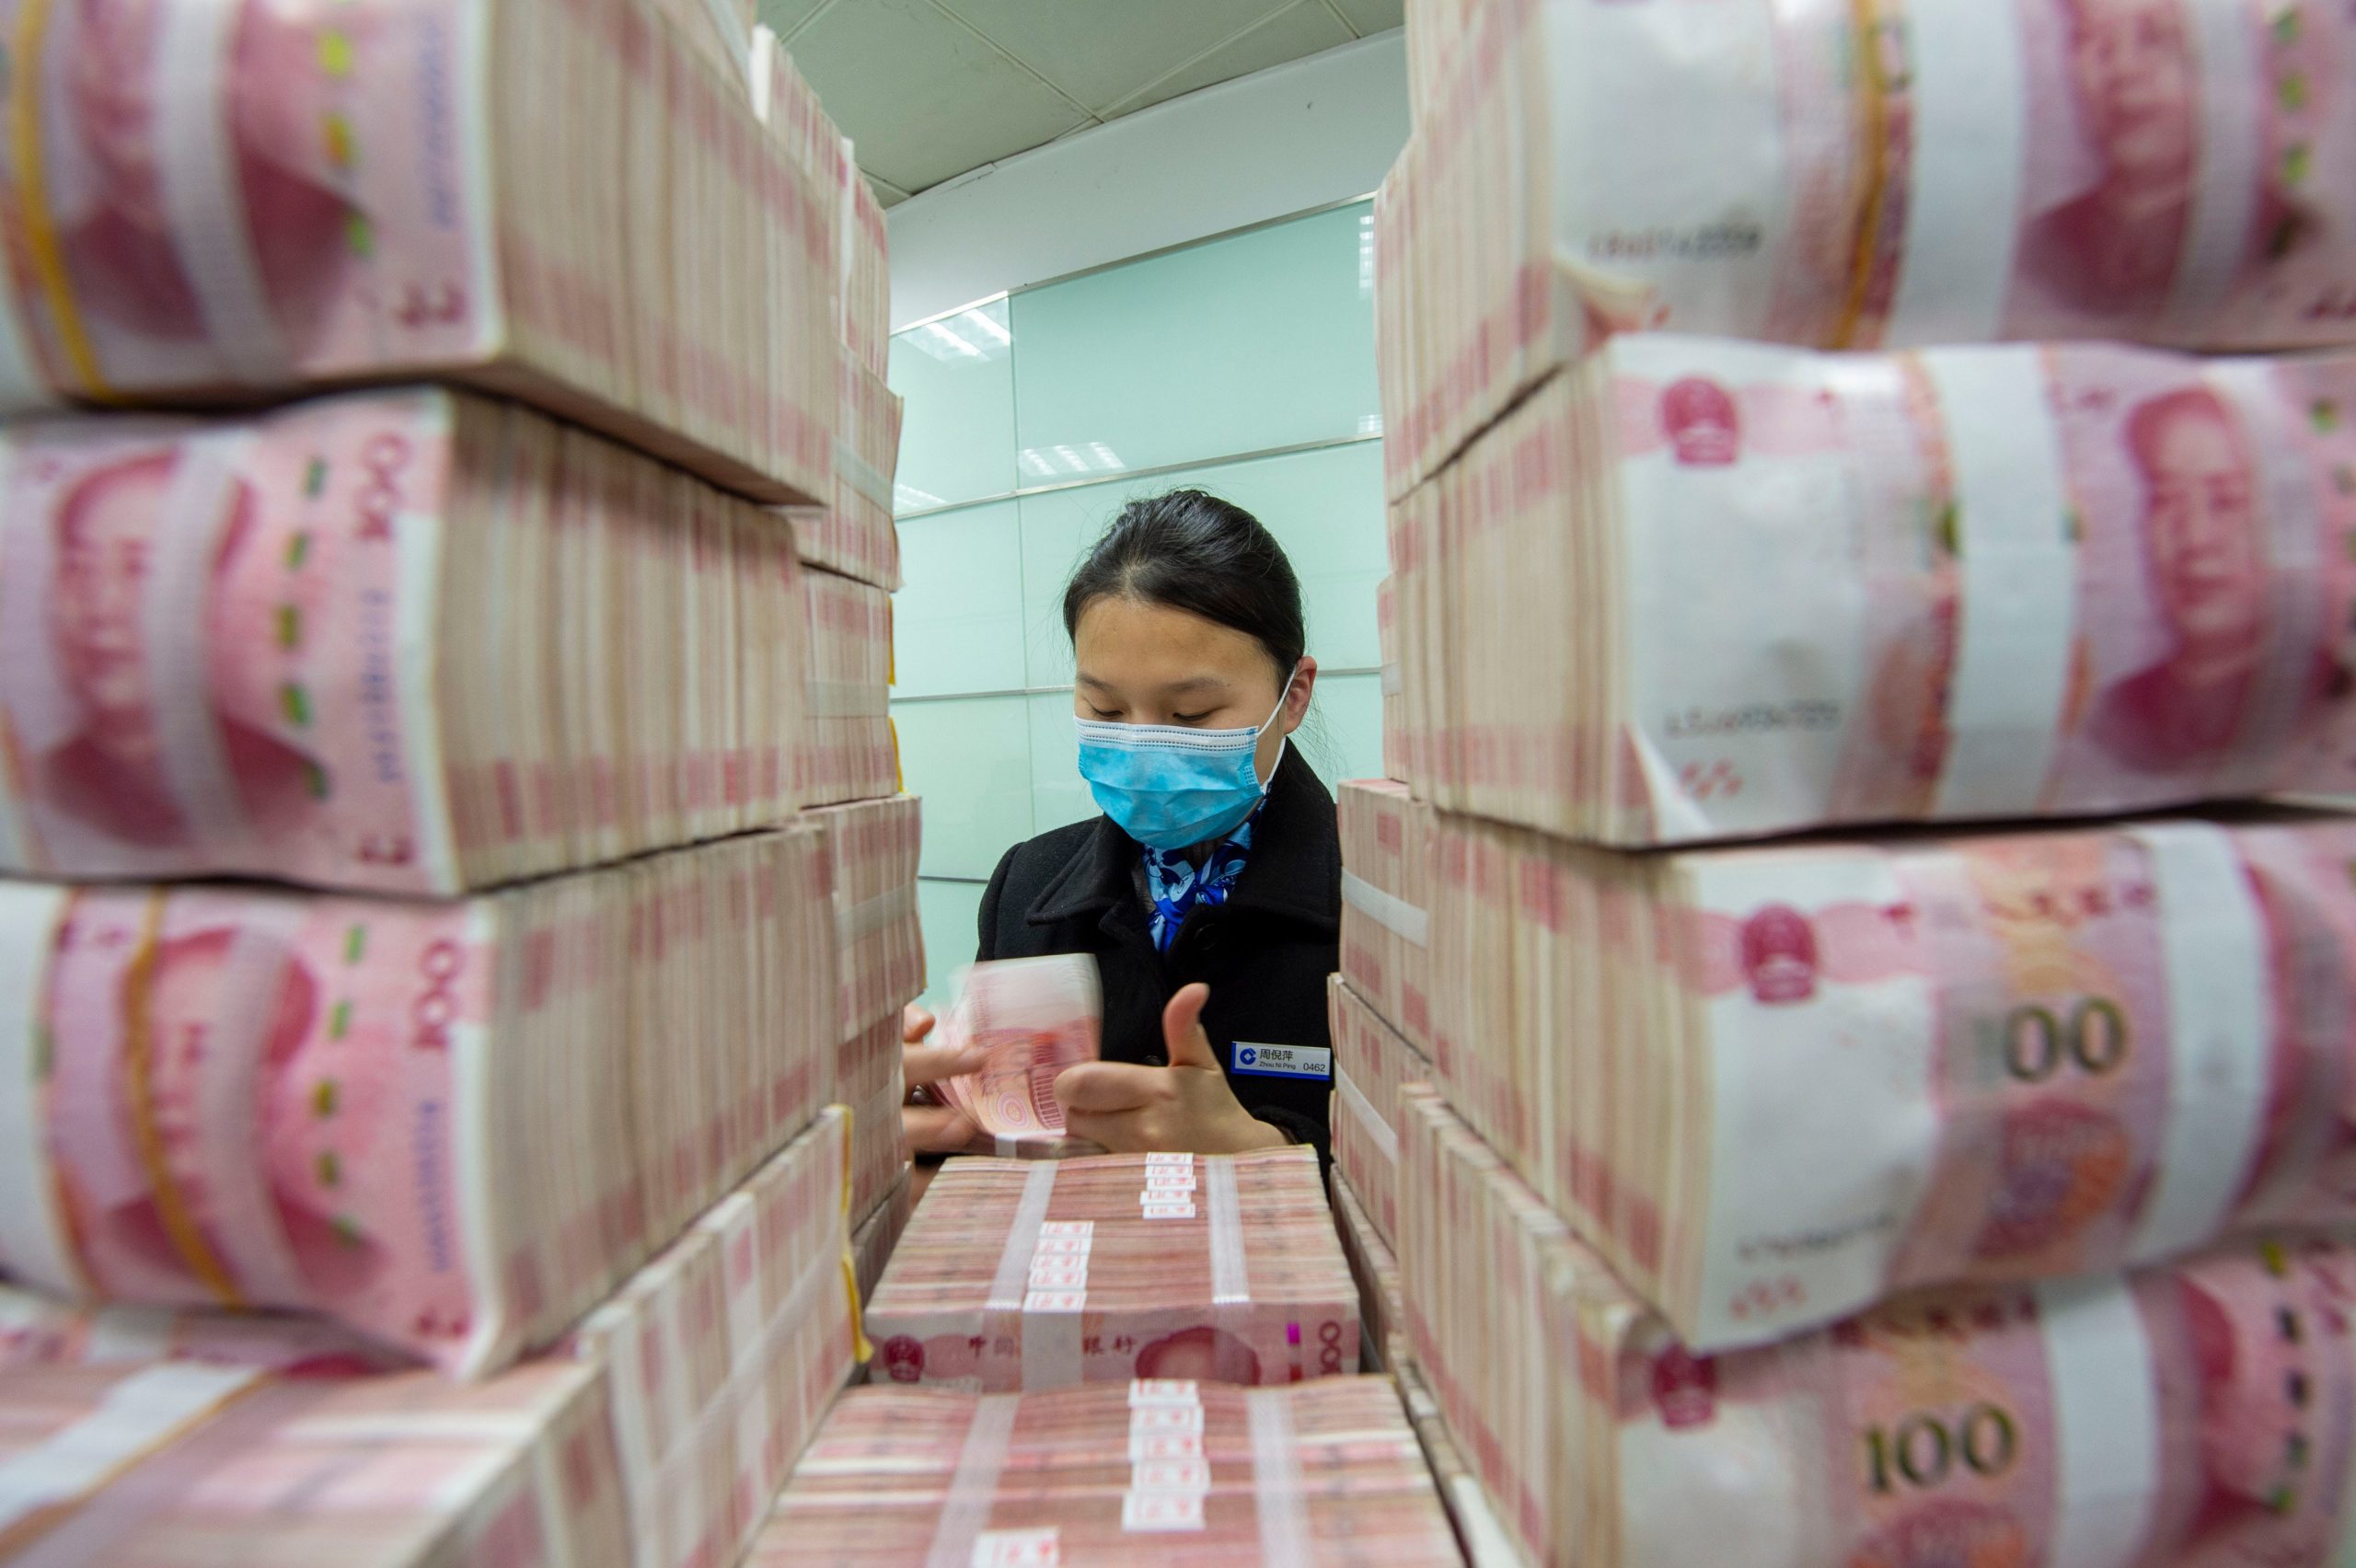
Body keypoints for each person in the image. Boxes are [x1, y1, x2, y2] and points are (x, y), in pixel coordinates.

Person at [901, 490, 1340, 1166]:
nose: (1143, 748)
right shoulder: (1028, 885)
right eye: (1104, 708)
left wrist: (1266, 1150)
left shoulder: (1379, 902)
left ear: (1295, 696)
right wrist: (936, 1108)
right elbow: (993, 1135)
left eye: (1191, 715)